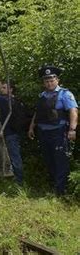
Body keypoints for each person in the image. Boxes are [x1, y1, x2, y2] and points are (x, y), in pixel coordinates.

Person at [28, 65, 78, 195]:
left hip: (59, 132)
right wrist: (31, 127)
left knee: (60, 160)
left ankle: (61, 191)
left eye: (51, 80)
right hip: (43, 133)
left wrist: (72, 129)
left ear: (57, 80)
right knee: (48, 159)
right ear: (43, 82)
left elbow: (73, 111)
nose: (49, 83)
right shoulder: (42, 95)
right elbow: (37, 113)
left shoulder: (65, 94)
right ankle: (54, 186)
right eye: (46, 81)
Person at [0, 73, 23, 185]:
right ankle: (16, 178)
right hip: (15, 132)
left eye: (4, 87)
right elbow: (1, 89)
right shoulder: (13, 99)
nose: (1, 89)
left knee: (14, 156)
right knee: (14, 155)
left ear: (11, 90)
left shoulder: (4, 100)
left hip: (10, 134)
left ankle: (19, 181)